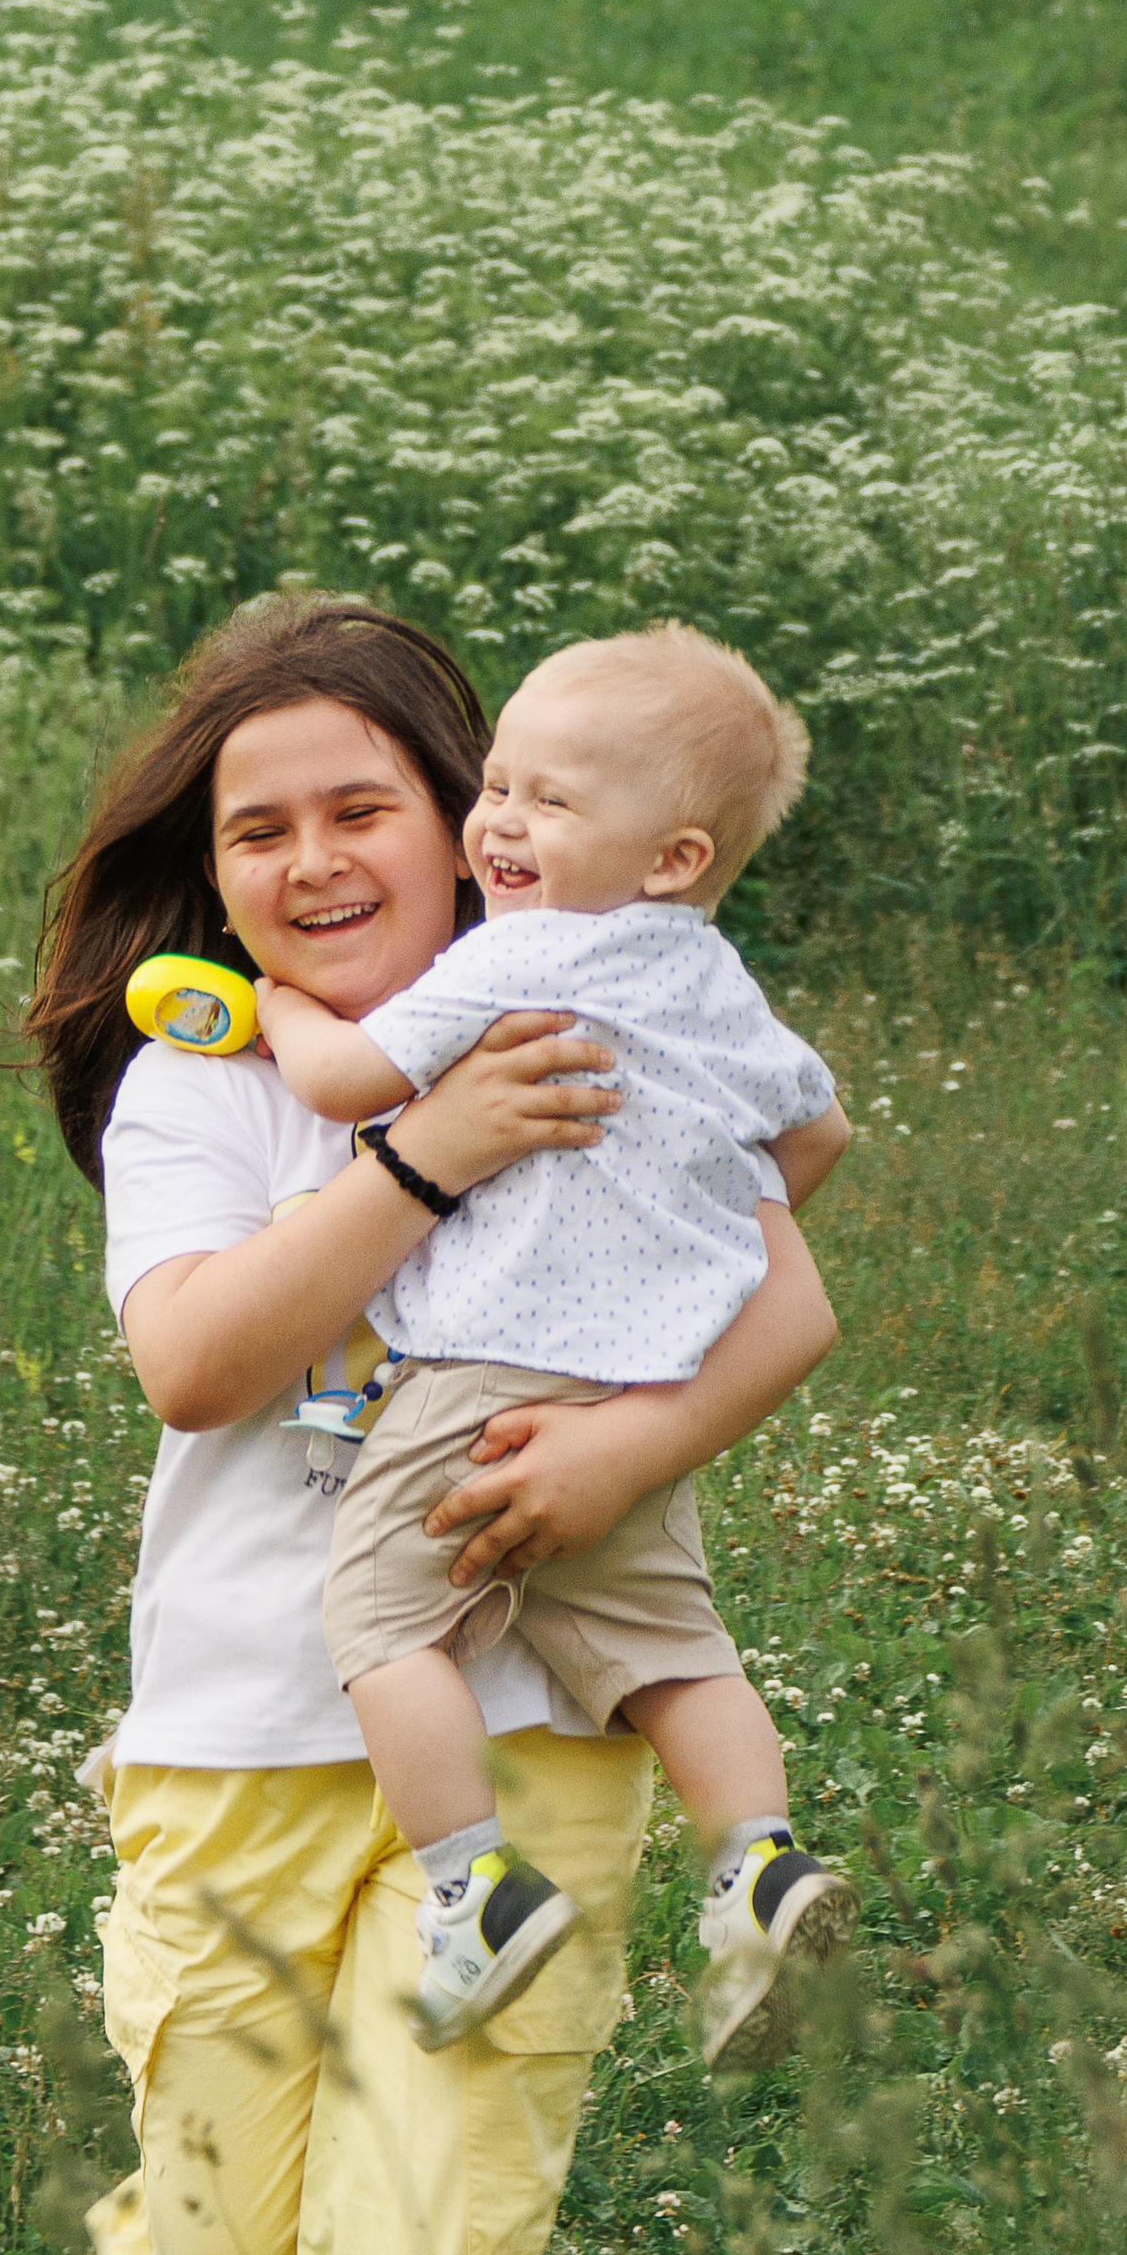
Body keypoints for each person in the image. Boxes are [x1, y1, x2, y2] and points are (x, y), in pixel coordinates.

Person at [23, 597, 841, 2255]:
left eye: (356, 807)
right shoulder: (208, 1078)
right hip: (232, 1740)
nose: (305, 859)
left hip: (522, 1726)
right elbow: (200, 1364)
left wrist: (613, 1460)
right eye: (253, 828)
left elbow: (787, 1272)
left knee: (432, 2240)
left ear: (472, 818)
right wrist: (431, 1151)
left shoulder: (602, 1029)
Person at [252, 625, 858, 2070]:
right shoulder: (714, 979)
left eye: (552, 800)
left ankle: (473, 1886)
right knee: (669, 1651)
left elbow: (346, 1075)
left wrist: (272, 1002)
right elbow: (819, 1131)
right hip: (644, 1380)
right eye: (499, 784)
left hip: (481, 1370)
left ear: (672, 855)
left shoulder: (519, 953)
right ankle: (759, 1863)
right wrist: (692, 1219)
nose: (502, 820)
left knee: (385, 1625)